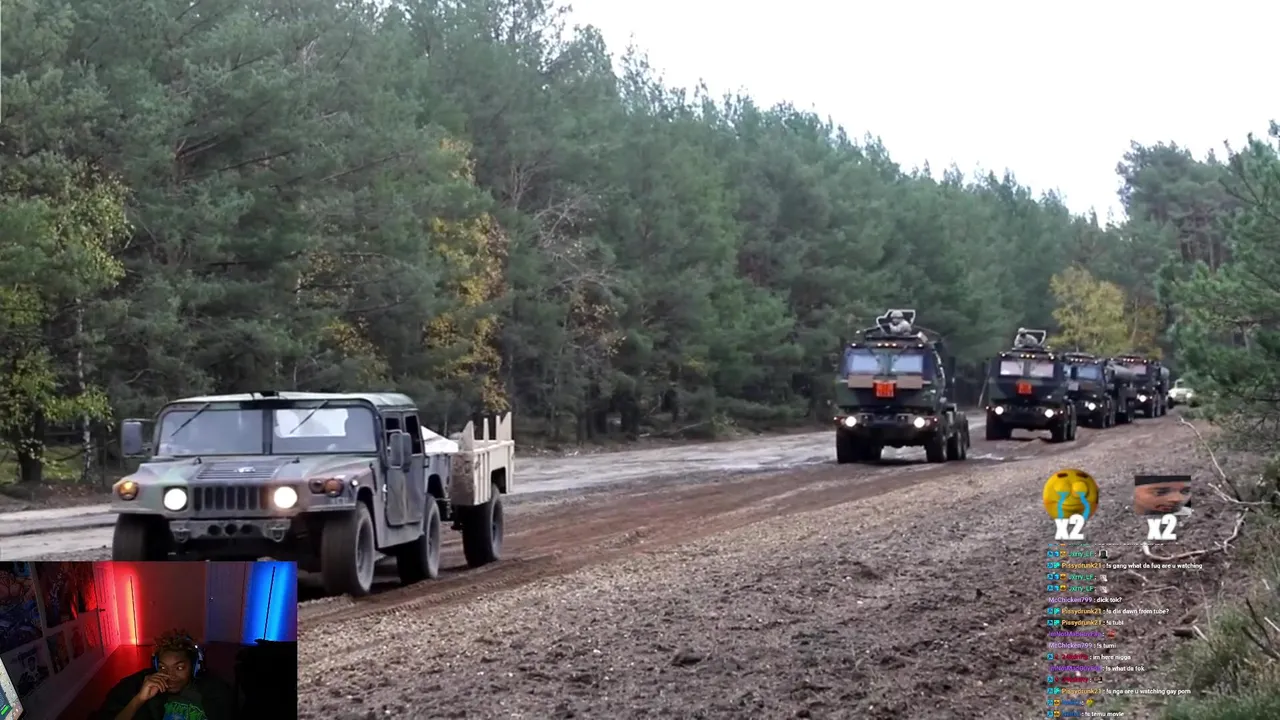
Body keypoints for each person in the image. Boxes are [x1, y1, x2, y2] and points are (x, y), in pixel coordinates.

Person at [94, 630, 236, 720]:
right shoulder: (152, 693)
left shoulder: (214, 692)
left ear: (194, 667)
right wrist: (139, 699)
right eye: (163, 667)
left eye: (179, 668)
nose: (170, 675)